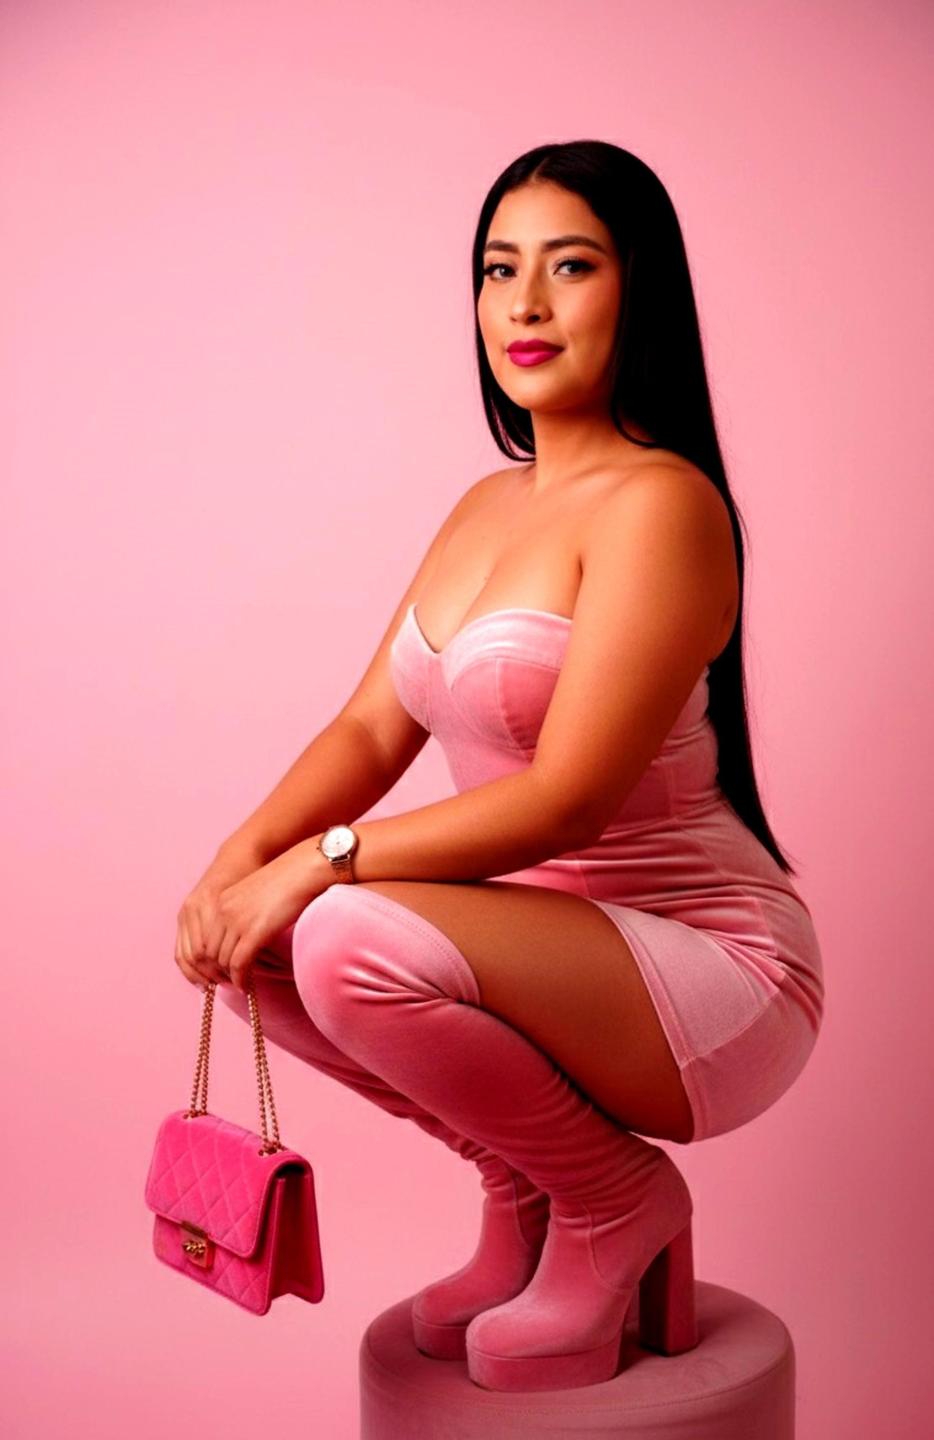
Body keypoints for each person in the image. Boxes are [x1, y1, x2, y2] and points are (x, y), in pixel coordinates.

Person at [174, 140, 824, 1392]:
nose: (523, 304)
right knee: (255, 943)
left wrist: (316, 864)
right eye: (496, 269)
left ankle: (611, 1200)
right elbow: (370, 732)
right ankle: (523, 1189)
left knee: (336, 930)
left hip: (710, 968)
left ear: (639, 290)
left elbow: (566, 800)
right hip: (548, 947)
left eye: (569, 266)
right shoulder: (484, 505)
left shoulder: (664, 505)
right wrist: (233, 867)